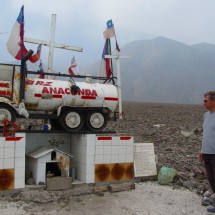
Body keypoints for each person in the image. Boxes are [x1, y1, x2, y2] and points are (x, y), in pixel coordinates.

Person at [201, 91, 215, 213]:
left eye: (206, 100)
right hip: (207, 152)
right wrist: (202, 150)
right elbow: (206, 134)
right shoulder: (206, 115)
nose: (203, 103)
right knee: (211, 178)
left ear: (213, 101)